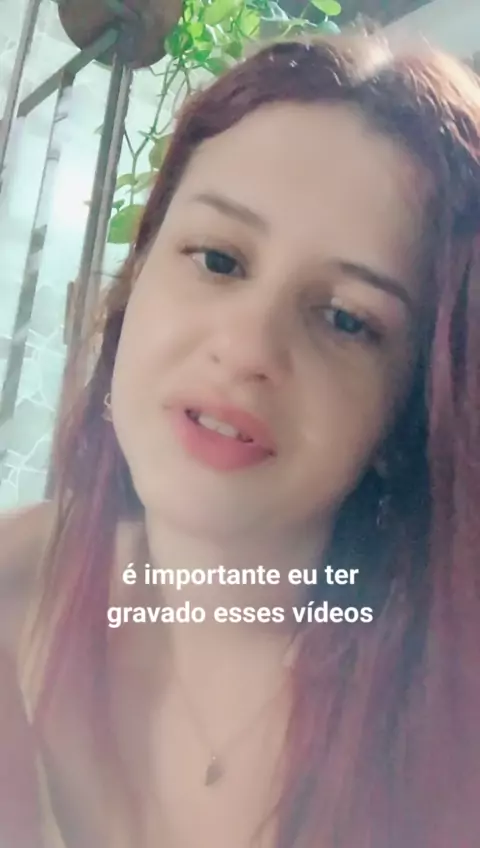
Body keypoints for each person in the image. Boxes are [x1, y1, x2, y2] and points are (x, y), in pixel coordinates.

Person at [1, 29, 480, 848]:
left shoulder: (448, 730)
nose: (248, 347)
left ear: (410, 414)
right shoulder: (14, 590)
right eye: (219, 260)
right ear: (136, 279)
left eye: (346, 319)